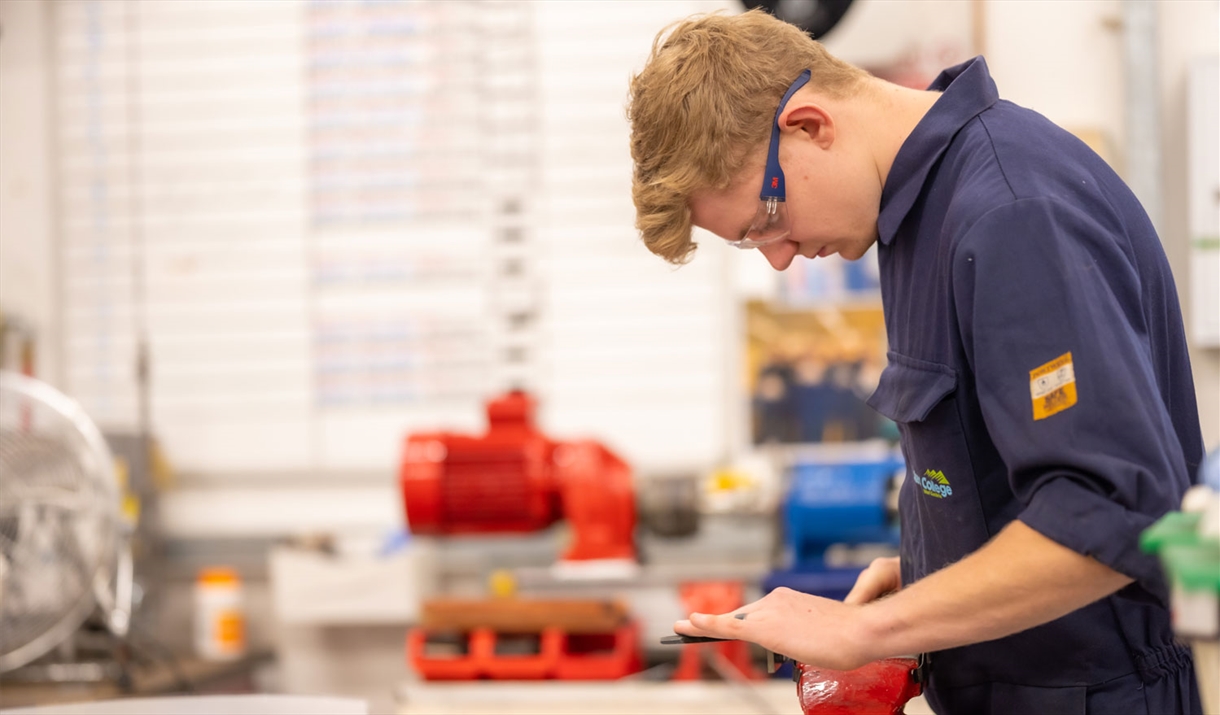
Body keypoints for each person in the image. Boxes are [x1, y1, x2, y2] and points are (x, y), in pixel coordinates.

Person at [627, 9, 1205, 715]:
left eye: (765, 221)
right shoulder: (914, 214)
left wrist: (865, 628)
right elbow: (1011, 477)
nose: (778, 256)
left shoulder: (1011, 214)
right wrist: (926, 576)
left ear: (809, 126)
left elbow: (1110, 515)